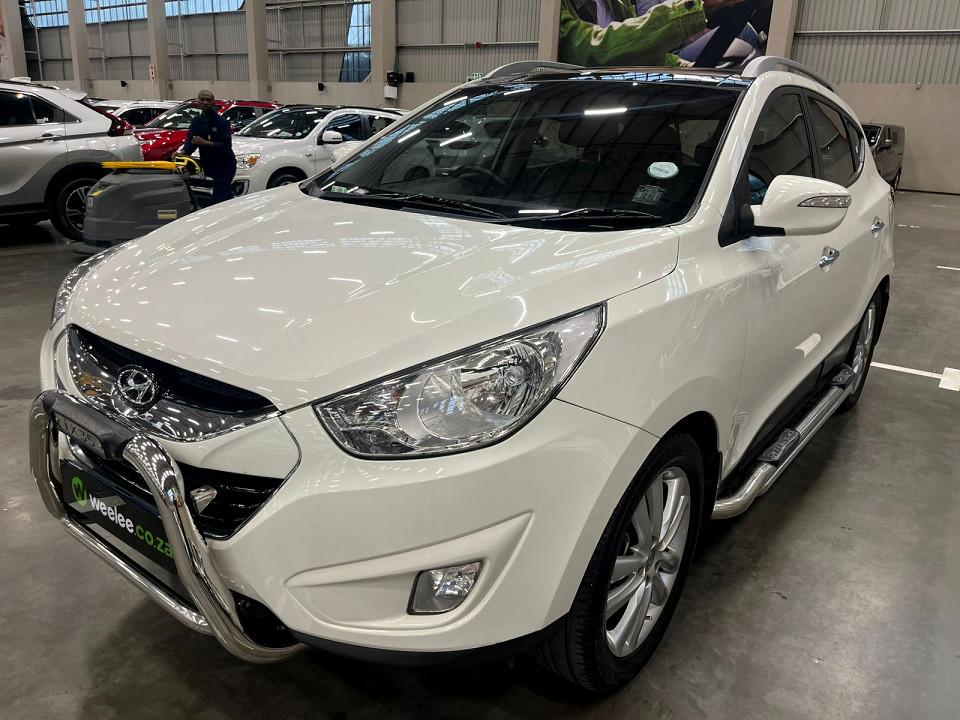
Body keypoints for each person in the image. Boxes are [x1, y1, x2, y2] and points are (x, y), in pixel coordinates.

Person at [558, 0, 753, 68]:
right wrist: (699, 9)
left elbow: (638, 48)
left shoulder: (617, 4)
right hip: (583, 95)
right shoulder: (553, 9)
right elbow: (591, 50)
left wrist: (683, 67)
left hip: (628, 86)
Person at [183, 90, 236, 204]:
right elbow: (192, 141)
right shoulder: (197, 121)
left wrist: (205, 143)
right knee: (220, 197)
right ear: (198, 102)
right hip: (209, 166)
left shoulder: (221, 122)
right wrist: (182, 152)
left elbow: (226, 146)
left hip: (225, 166)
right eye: (202, 100)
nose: (205, 102)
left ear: (213, 103)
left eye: (208, 100)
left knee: (219, 199)